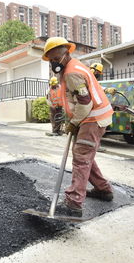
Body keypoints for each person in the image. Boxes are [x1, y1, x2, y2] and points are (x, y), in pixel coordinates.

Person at [42, 37, 115, 213]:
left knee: (81, 158)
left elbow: (85, 103)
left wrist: (74, 123)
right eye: (50, 59)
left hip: (92, 118)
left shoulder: (71, 72)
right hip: (90, 118)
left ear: (65, 53)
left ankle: (74, 203)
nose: (53, 62)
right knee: (84, 154)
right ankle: (103, 190)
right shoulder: (72, 66)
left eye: (55, 58)